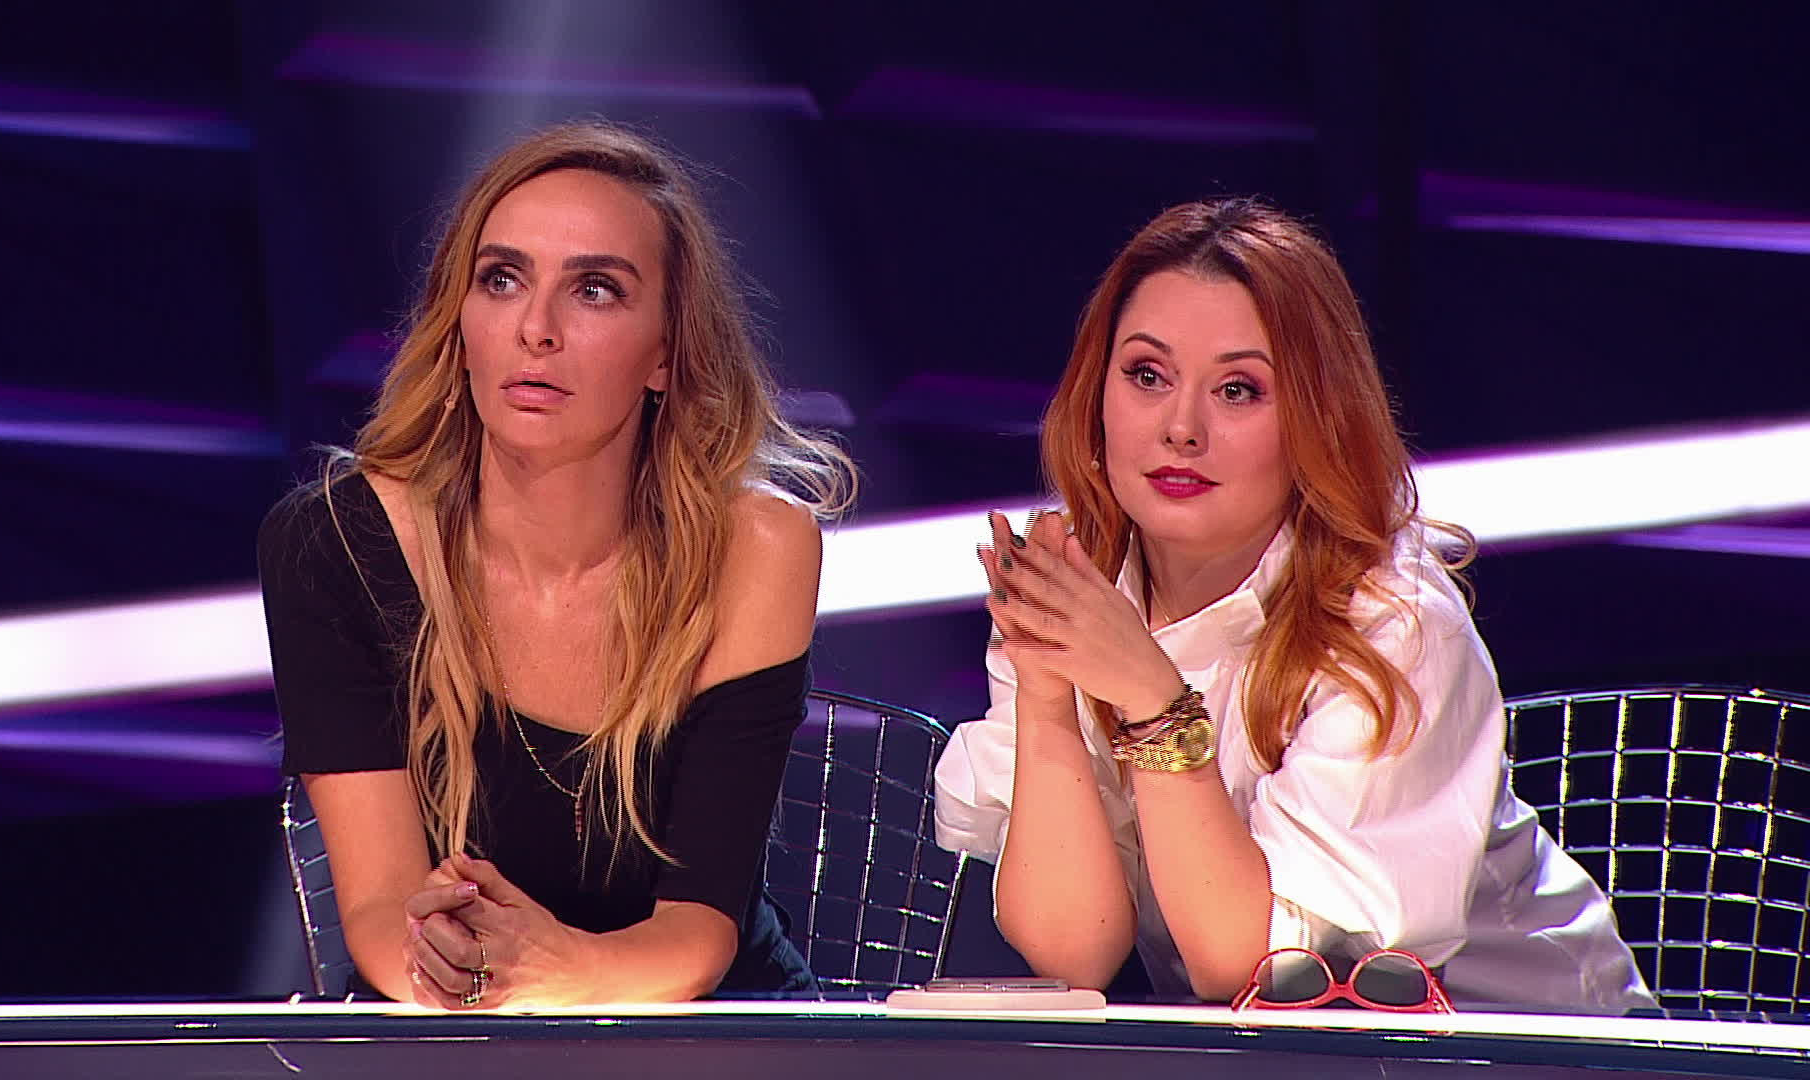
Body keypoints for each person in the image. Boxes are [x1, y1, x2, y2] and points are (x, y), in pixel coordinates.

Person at [933, 198, 1654, 1012]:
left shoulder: (1395, 622)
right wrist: (1045, 694)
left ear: (1318, 415)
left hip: (1534, 1045)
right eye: (1147, 376)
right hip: (1274, 1054)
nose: (1181, 428)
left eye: (1238, 390)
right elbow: (1075, 951)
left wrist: (1152, 700)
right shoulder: (1084, 587)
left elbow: (1247, 963)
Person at [258, 121, 852, 1009]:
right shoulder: (334, 545)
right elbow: (381, 908)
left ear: (665, 353)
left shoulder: (755, 547)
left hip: (699, 1023)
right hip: (455, 1025)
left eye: (595, 291)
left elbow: (698, 933)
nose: (535, 329)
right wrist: (450, 974)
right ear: (460, 323)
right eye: (502, 280)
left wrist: (552, 970)